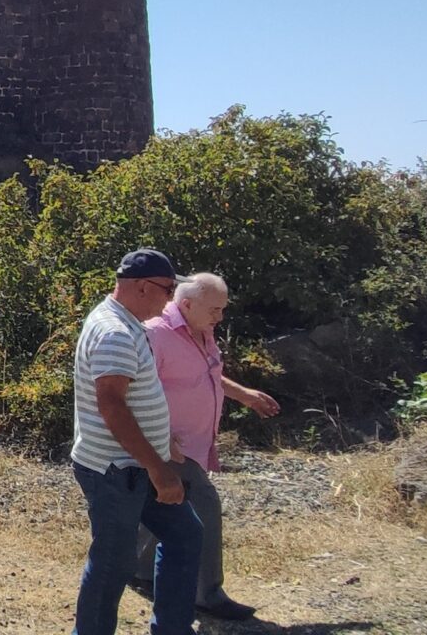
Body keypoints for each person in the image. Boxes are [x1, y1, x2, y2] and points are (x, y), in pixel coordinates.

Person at [70, 248, 203, 635]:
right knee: (113, 563)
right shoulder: (114, 331)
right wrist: (158, 467)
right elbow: (111, 404)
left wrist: (162, 445)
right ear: (143, 287)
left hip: (136, 464)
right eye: (166, 289)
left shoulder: (123, 321)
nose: (170, 300)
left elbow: (131, 400)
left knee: (185, 534)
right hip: (117, 470)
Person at [134, 273, 279, 621]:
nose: (220, 317)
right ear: (186, 304)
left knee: (163, 508)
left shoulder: (202, 330)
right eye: (215, 309)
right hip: (172, 446)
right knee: (203, 509)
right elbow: (135, 388)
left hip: (195, 445)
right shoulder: (156, 333)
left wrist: (244, 394)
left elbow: (206, 374)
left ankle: (138, 571)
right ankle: (207, 594)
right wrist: (161, 438)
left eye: (222, 309)